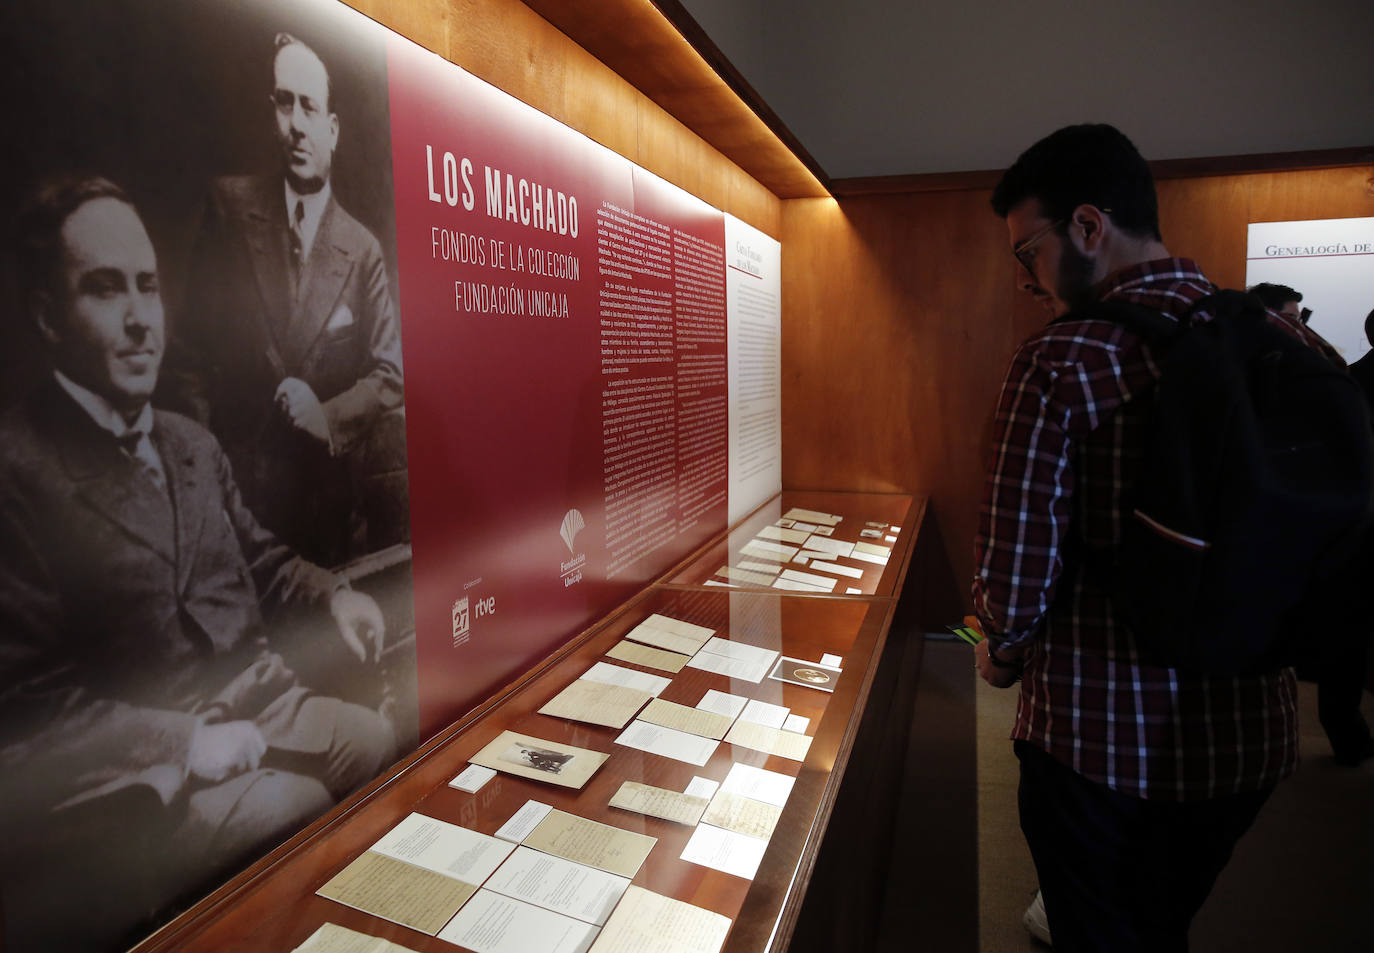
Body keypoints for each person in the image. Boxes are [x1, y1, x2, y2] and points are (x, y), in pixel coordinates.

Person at [970, 124, 1343, 953]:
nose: (1028, 282)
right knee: (1161, 918)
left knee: (1100, 928)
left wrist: (994, 649)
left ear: (1090, 227)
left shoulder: (1061, 361)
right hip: (1254, 734)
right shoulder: (1287, 341)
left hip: (1097, 740)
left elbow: (1017, 578)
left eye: (1027, 253)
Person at [0, 175, 396, 952]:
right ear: (49, 316)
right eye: (105, 290)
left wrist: (332, 595)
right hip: (130, 783)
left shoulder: (190, 442)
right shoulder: (18, 471)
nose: (141, 317)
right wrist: (182, 742)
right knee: (297, 807)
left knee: (387, 739)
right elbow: (25, 712)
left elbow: (261, 557)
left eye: (148, 286)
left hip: (256, 704)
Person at [165, 32, 405, 567]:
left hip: (325, 514)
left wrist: (328, 417)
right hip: (237, 507)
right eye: (284, 102)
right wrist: (208, 477)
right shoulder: (228, 209)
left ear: (333, 128)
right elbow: (187, 359)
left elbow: (390, 375)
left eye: (309, 107)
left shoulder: (361, 248)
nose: (295, 124)